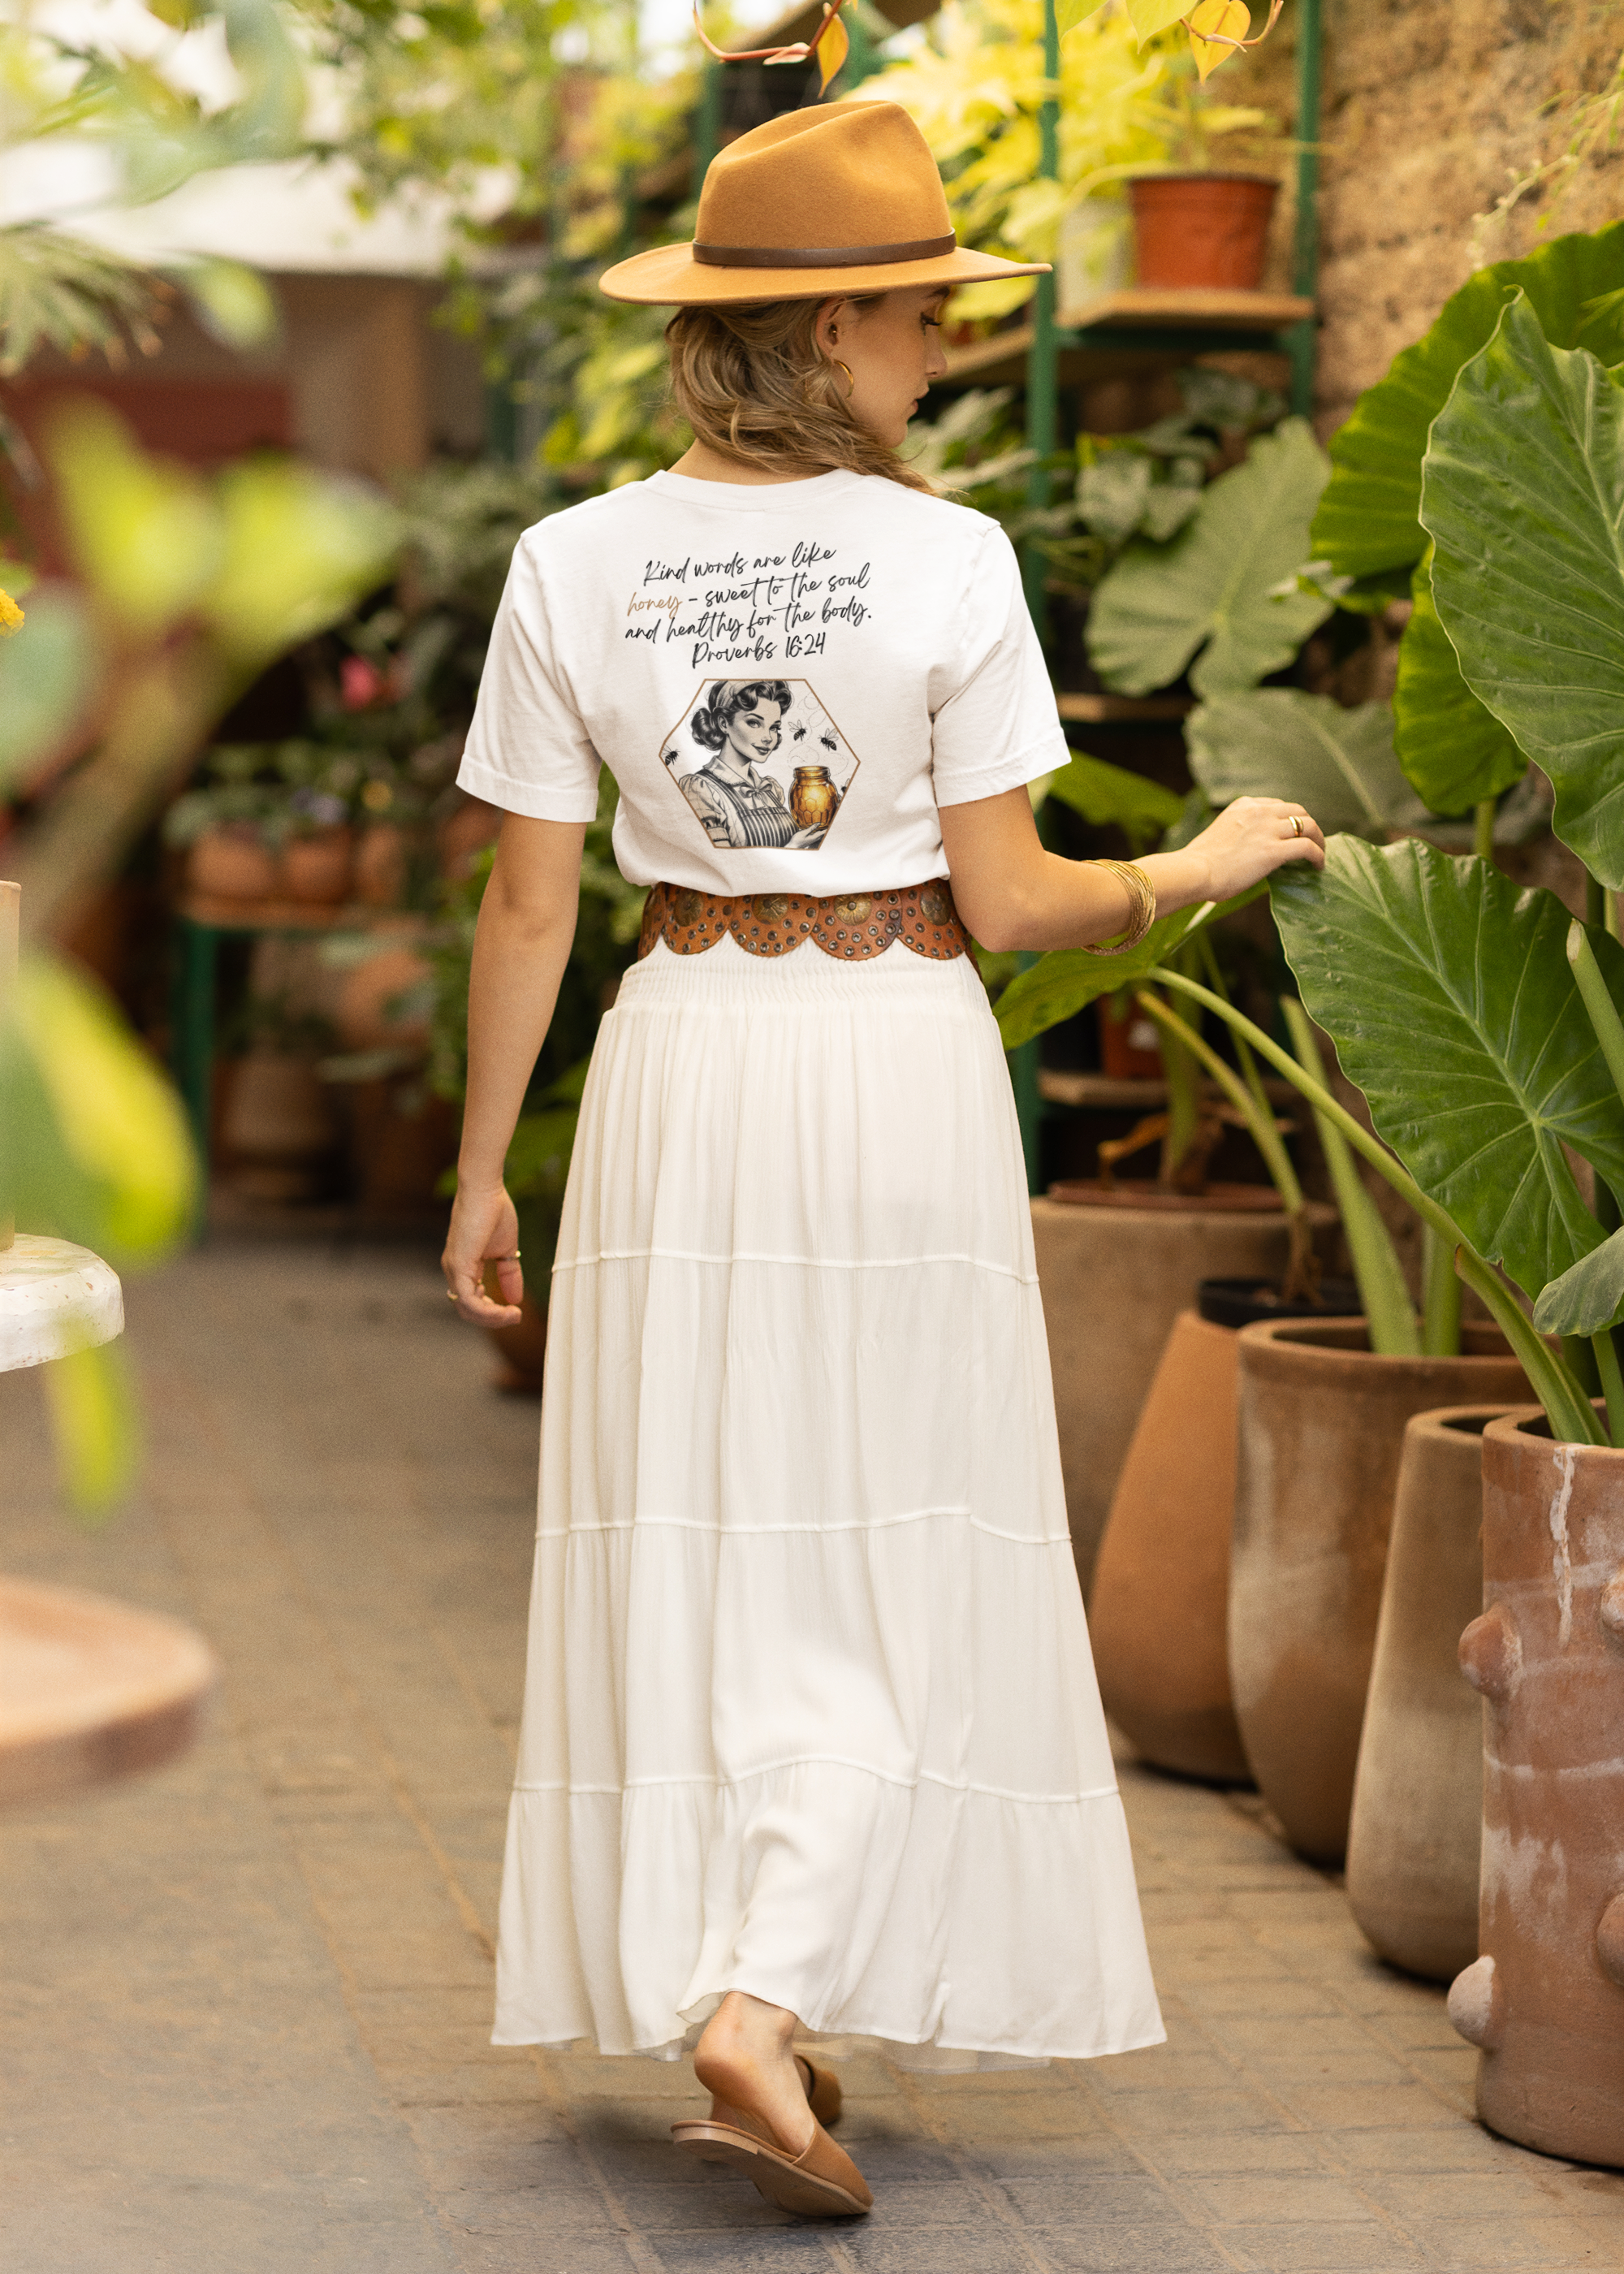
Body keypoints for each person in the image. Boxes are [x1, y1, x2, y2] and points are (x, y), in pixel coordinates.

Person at [443, 98, 1325, 2222]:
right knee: (893, 1542)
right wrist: (1194, 869)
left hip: (674, 1076)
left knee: (712, 1539)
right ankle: (765, 1993)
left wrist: (484, 1171)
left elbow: (525, 910)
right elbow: (1019, 907)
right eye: (924, 315)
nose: (939, 351)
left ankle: (760, 1990)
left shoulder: (572, 564)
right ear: (831, 324)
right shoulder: (949, 562)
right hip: (891, 1068)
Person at [675, 679, 823, 850]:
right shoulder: (700, 788)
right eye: (754, 723)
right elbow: (721, 863)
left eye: (774, 727)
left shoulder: (770, 789)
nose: (768, 737)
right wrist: (793, 848)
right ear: (724, 724)